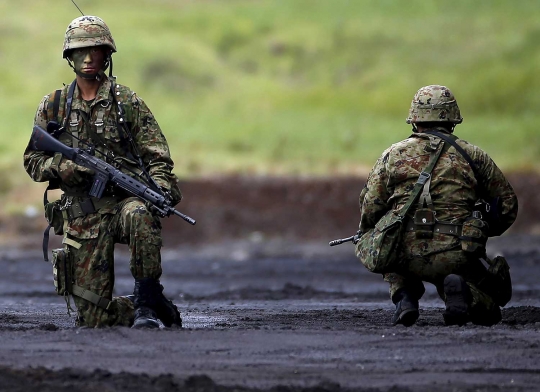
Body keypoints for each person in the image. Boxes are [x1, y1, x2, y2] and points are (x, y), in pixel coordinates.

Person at [23, 16, 183, 329]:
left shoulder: (126, 103)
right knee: (93, 319)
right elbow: (33, 161)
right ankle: (146, 307)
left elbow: (158, 158)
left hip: (124, 205)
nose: (88, 58)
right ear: (69, 57)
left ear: (106, 55)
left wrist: (161, 189)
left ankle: (148, 302)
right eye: (80, 51)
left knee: (141, 214)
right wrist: (66, 167)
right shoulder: (54, 107)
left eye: (95, 50)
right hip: (83, 215)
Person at [356, 85, 518, 327]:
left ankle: (404, 296)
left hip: (404, 254)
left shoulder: (392, 155)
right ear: (453, 118)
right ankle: (463, 295)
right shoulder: (473, 155)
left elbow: (370, 206)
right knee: (490, 312)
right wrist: (480, 227)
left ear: (414, 119)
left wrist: (374, 229)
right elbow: (507, 206)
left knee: (382, 237)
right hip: (456, 252)